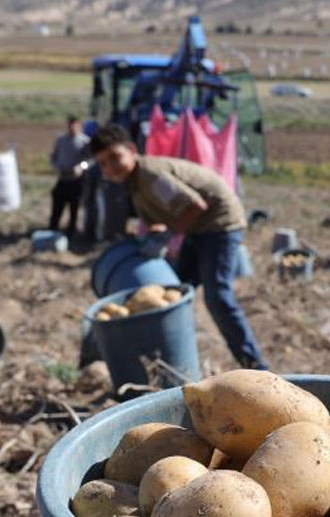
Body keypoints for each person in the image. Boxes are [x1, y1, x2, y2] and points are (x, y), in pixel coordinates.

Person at [88, 124, 267, 370]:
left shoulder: (150, 174)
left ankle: (256, 366)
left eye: (114, 157)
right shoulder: (133, 184)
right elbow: (161, 216)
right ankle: (165, 359)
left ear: (131, 150)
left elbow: (196, 205)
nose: (110, 167)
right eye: (103, 163)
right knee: (173, 290)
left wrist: (171, 234)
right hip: (198, 228)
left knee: (218, 299)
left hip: (219, 223)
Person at [49, 115, 91, 238]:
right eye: (69, 125)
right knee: (57, 204)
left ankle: (72, 231)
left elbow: (90, 160)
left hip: (76, 180)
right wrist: (57, 167)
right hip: (63, 178)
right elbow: (53, 157)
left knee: (74, 208)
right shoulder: (61, 140)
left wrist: (81, 167)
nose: (71, 128)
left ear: (79, 126)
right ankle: (53, 228)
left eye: (74, 125)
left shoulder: (85, 142)